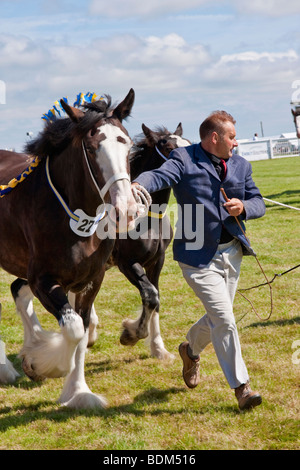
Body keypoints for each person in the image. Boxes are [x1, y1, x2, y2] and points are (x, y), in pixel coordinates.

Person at [132, 110, 265, 410]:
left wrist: (243, 206)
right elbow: (158, 176)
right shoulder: (183, 159)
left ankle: (189, 350)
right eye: (231, 136)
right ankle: (242, 388)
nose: (236, 142)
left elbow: (259, 202)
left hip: (232, 251)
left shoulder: (241, 164)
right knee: (226, 320)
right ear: (214, 137)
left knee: (220, 318)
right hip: (196, 255)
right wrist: (139, 185)